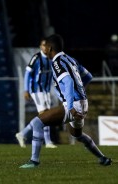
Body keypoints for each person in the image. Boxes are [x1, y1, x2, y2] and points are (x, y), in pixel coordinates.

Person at [19, 34, 112, 168]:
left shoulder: (57, 62)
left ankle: (34, 161)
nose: (45, 49)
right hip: (82, 102)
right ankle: (102, 158)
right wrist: (79, 92)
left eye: (46, 47)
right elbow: (88, 76)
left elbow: (68, 81)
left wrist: (71, 107)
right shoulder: (70, 59)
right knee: (77, 135)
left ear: (50, 48)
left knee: (37, 123)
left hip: (72, 105)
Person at [15, 38, 57, 148]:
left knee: (46, 115)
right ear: (40, 47)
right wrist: (26, 90)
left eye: (47, 45)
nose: (45, 47)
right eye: (43, 45)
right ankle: (47, 142)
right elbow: (28, 74)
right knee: (45, 114)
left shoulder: (51, 59)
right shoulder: (36, 58)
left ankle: (22, 133)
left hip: (46, 90)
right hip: (36, 90)